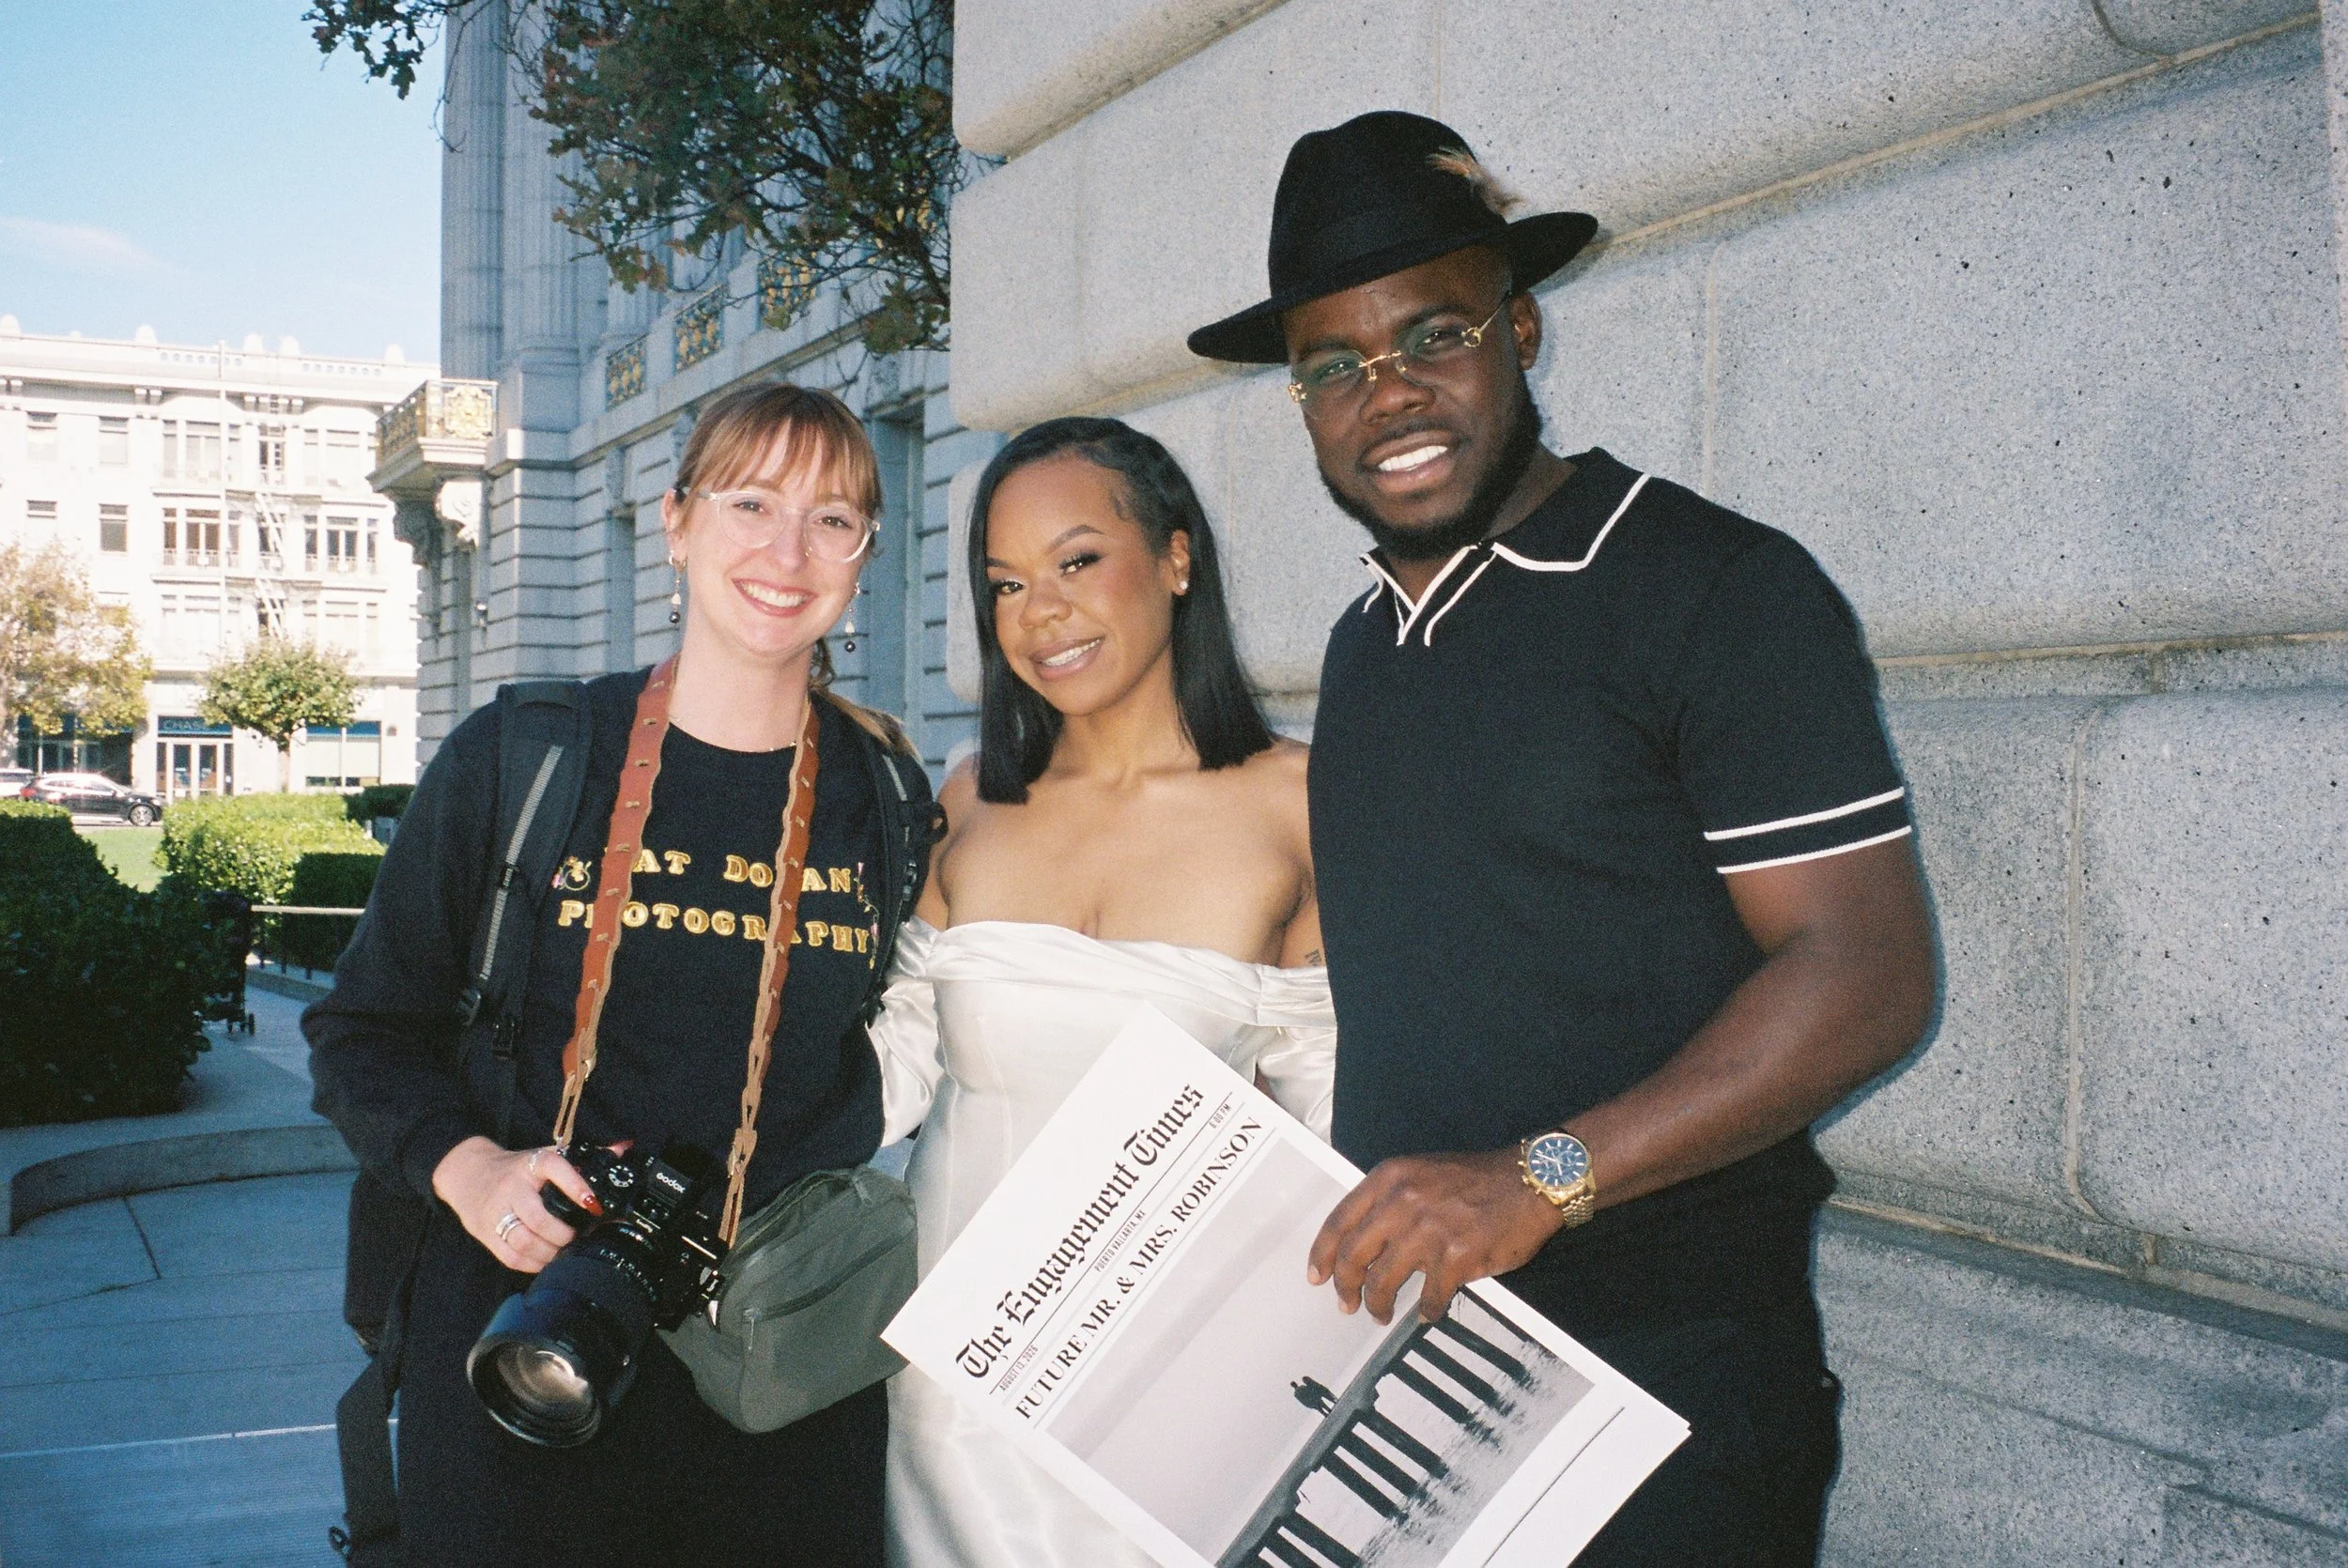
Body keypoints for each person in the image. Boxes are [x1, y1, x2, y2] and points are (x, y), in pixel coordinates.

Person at [1186, 112, 1939, 1565]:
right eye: (1333, 366)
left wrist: (1534, 1179)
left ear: (1520, 328)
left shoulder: (1715, 588)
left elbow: (1866, 975)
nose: (1385, 394)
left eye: (1431, 335)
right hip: (1426, 1381)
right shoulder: (1363, 645)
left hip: (1674, 1389)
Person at [307, 382, 935, 1565]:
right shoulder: (531, 754)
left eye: (835, 518)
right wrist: (474, 1166)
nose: (788, 551)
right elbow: (359, 1031)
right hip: (524, 1334)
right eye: (750, 501)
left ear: (866, 553)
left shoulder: (887, 798)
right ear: (677, 522)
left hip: (785, 1367)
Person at [869, 417, 1334, 1568]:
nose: (1042, 611)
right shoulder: (971, 796)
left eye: (1078, 560)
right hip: (953, 1371)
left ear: (1177, 558)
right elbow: (884, 1075)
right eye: (1006, 582)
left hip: (1178, 1377)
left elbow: (1334, 1116)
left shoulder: (1300, 799)